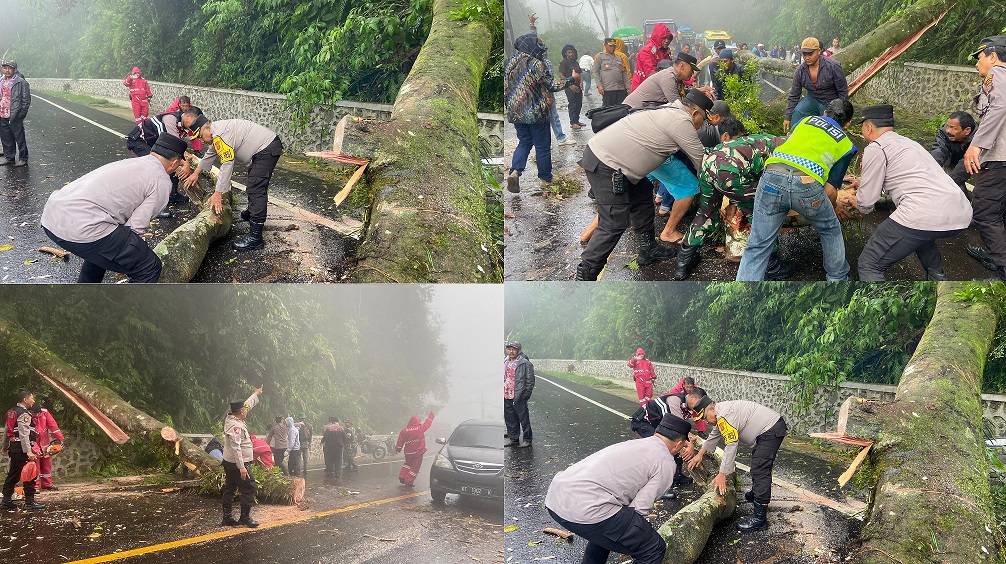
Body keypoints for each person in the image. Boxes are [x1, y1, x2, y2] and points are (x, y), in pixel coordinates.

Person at [575, 89, 712, 281]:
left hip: (621, 164)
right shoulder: (681, 121)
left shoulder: (671, 109)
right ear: (695, 113)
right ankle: (586, 274)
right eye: (704, 120)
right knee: (613, 222)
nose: (702, 125)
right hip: (607, 163)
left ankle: (648, 250)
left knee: (642, 199)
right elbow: (703, 162)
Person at [544, 415, 693, 564]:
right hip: (585, 507)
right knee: (653, 548)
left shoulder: (637, 444)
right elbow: (639, 509)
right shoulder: (665, 462)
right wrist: (636, 538)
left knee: (609, 527)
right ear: (678, 444)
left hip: (556, 496)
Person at [40, 134, 188, 283]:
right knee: (149, 267)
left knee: (106, 246)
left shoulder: (133, 163)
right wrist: (135, 255)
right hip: (80, 227)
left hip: (52, 215)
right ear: (174, 163)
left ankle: (85, 298)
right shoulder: (161, 181)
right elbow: (135, 228)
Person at [736, 99, 857, 281]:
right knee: (830, 229)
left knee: (758, 245)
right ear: (847, 124)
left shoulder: (805, 121)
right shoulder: (847, 145)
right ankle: (838, 279)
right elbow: (830, 190)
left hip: (771, 175)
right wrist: (829, 210)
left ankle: (741, 297)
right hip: (806, 184)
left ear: (824, 113)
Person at [851, 105, 972, 281]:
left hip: (923, 213)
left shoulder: (876, 147)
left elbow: (866, 203)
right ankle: (938, 281)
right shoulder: (909, 143)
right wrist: (865, 182)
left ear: (868, 127)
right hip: (961, 212)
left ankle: (879, 307)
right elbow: (906, 178)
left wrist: (857, 203)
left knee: (869, 263)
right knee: (920, 236)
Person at [676, 118, 786, 280]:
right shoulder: (778, 145)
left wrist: (734, 200)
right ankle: (772, 265)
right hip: (731, 171)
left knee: (705, 214)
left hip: (707, 164)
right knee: (760, 214)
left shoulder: (749, 141)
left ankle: (683, 262)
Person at [181, 111, 284, 251]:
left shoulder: (220, 135)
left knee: (256, 188)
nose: (202, 141)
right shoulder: (216, 132)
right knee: (254, 182)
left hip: (266, 148)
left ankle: (255, 237)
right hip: (264, 147)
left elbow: (227, 164)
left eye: (200, 136)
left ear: (207, 128)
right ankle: (253, 212)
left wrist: (218, 193)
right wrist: (196, 173)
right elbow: (210, 154)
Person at [686, 394, 787, 533]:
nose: (706, 422)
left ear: (712, 409)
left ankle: (759, 519)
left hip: (770, 429)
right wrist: (699, 455)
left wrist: (722, 474)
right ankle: (757, 494)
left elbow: (731, 445)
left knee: (760, 469)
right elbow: (714, 436)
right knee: (758, 463)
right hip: (769, 428)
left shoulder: (724, 416)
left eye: (704, 417)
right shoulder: (720, 414)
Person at [504, 32, 574, 193]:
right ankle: (546, 178)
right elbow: (551, 86)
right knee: (542, 147)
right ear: (530, 45)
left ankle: (515, 171)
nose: (541, 47)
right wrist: (571, 80)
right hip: (535, 112)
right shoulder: (536, 64)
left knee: (524, 142)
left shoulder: (509, 63)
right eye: (538, 44)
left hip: (516, 112)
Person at [964, 36, 1006, 280]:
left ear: (992, 55)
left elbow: (999, 107)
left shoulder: (997, 74)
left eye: (979, 57)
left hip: (1000, 158)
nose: (977, 63)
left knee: (985, 211)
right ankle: (994, 252)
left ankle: (1001, 270)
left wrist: (977, 145)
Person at [125, 106, 201, 219]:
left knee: (172, 164)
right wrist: (185, 163)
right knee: (156, 168)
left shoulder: (183, 126)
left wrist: (182, 163)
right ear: (188, 116)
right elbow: (170, 145)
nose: (195, 127)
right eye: (195, 122)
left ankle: (173, 195)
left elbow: (176, 149)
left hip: (154, 143)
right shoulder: (170, 120)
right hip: (139, 141)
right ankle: (153, 208)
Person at [784, 38, 849, 133]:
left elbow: (843, 92)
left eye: (810, 54)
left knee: (828, 128)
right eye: (804, 54)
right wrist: (787, 117)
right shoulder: (800, 71)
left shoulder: (833, 67)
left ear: (819, 51)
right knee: (798, 112)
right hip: (812, 98)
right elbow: (794, 94)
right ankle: (795, 137)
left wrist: (843, 114)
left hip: (830, 100)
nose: (807, 57)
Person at [221, 386, 263, 528]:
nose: (246, 410)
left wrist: (255, 394)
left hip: (230, 462)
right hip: (236, 463)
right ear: (240, 412)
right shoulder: (235, 426)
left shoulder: (234, 417)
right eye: (244, 410)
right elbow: (236, 447)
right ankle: (245, 518)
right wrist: (242, 467)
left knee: (230, 488)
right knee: (250, 488)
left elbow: (246, 405)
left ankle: (227, 518)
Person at [2, 391, 44, 511]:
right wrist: (28, 451)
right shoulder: (24, 414)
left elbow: (7, 431)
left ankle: (6, 500)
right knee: (30, 473)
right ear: (25, 400)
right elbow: (24, 434)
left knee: (13, 474)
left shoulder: (11, 412)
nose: (33, 401)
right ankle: (30, 502)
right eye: (32, 398)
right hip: (22, 448)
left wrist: (4, 446)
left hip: (14, 447)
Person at [624, 52, 702, 109]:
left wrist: (698, 91)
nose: (692, 73)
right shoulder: (668, 77)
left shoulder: (675, 77)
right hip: (631, 111)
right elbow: (678, 106)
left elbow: (680, 92)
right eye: (691, 69)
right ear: (681, 66)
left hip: (642, 110)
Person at [929, 111, 976, 190]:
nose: (948, 131)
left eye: (953, 128)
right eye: (948, 126)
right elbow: (939, 150)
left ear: (967, 131)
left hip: (978, 165)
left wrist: (949, 184)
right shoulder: (944, 133)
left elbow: (966, 164)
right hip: (951, 162)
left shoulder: (979, 139)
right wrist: (930, 169)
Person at [504, 341, 534, 448]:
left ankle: (527, 439)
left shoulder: (525, 363)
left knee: (523, 418)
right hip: (506, 394)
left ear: (519, 351)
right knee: (510, 418)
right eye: (509, 349)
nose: (511, 351)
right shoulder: (505, 362)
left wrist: (525, 395)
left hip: (519, 396)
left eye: (514, 349)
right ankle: (514, 439)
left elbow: (530, 381)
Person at [0, 60, 30, 167]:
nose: (7, 70)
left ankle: (23, 158)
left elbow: (26, 100)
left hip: (15, 115)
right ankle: (9, 157)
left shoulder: (21, 82)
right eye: (5, 68)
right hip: (2, 113)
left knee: (19, 137)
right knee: (6, 137)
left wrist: (21, 114)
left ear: (15, 70)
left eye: (10, 68)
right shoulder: (1, 81)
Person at [30, 402, 64, 491]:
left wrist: (60, 439)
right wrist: (35, 449)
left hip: (45, 443)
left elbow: (53, 426)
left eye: (37, 413)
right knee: (35, 466)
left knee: (46, 465)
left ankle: (47, 484)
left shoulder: (45, 413)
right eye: (34, 413)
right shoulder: (27, 416)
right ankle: (35, 486)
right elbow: (28, 435)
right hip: (33, 443)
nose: (36, 415)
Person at [395, 411, 435, 487]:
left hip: (408, 453)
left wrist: (398, 449)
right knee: (415, 467)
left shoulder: (404, 430)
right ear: (417, 422)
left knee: (407, 464)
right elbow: (428, 423)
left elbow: (400, 442)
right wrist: (431, 415)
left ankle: (402, 476)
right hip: (418, 453)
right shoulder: (421, 428)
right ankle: (409, 482)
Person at [632, 23, 674, 92]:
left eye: (669, 38)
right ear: (658, 37)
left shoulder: (664, 51)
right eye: (664, 38)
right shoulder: (647, 51)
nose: (667, 41)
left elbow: (672, 69)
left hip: (654, 88)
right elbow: (651, 73)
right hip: (642, 89)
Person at [594, 38, 631, 107]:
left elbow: (624, 73)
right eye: (610, 46)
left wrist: (628, 86)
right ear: (605, 45)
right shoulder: (599, 57)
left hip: (620, 88)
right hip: (608, 89)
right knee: (608, 109)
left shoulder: (619, 58)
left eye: (614, 46)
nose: (612, 48)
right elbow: (596, 72)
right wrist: (599, 86)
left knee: (620, 108)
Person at [558, 45, 585, 130]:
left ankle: (577, 120)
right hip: (569, 86)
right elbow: (561, 74)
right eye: (569, 52)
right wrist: (569, 84)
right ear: (566, 53)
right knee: (572, 103)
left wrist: (581, 83)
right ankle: (573, 122)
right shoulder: (564, 62)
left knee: (579, 103)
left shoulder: (576, 63)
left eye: (572, 52)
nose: (571, 54)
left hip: (577, 85)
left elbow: (579, 74)